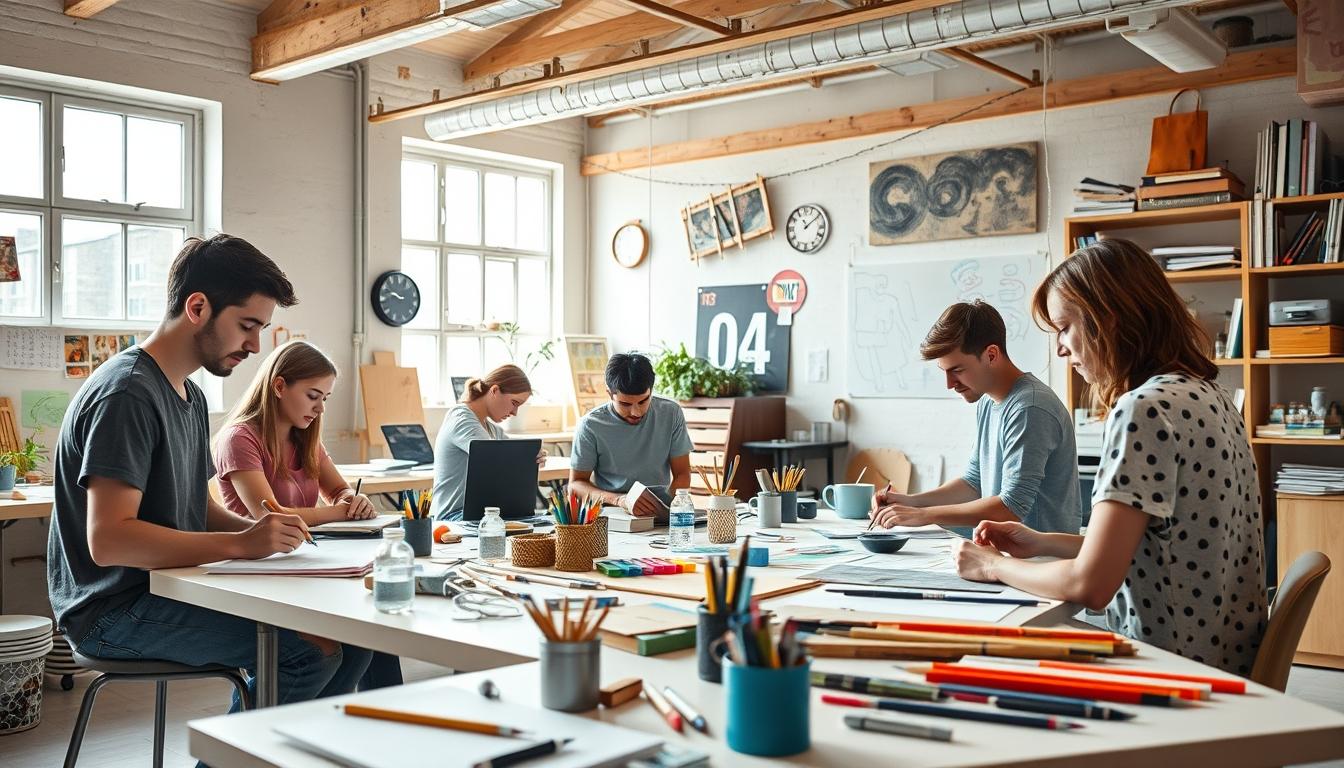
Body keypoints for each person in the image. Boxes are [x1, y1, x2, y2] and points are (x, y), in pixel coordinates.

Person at [48, 234, 346, 712]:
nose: (254, 345)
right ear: (198, 307)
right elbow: (110, 541)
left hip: (166, 586)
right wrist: (241, 545)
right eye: (247, 325)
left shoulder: (189, 394)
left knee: (344, 639)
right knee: (309, 653)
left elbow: (198, 508)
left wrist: (261, 531)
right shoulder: (127, 393)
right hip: (112, 611)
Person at [953, 238, 1266, 676]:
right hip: (1224, 660)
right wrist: (1038, 541)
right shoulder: (1210, 394)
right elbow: (1158, 545)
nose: (1061, 348)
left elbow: (1091, 585)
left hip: (1170, 668)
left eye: (1064, 327)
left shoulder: (1145, 408)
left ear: (1108, 321)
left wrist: (991, 566)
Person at [214, 339, 395, 691]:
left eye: (325, 398)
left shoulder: (306, 438)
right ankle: (255, 732)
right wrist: (339, 513)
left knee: (361, 644)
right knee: (324, 652)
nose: (321, 408)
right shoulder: (239, 438)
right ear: (279, 386)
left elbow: (340, 490)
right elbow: (272, 515)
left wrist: (352, 501)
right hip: (258, 574)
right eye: (314, 396)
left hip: (305, 567)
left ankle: (317, 729)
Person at [871, 300, 1080, 534]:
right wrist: (909, 502)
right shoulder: (988, 402)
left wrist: (924, 515)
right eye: (945, 372)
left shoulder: (1029, 407)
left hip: (1041, 561)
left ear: (991, 355)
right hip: (1005, 555)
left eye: (957, 370)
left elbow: (1011, 507)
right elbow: (974, 483)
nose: (949, 384)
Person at [568, 353, 693, 518]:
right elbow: (576, 485)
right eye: (625, 404)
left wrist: (666, 509)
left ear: (651, 391)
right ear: (609, 393)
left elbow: (682, 473)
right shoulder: (590, 425)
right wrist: (619, 500)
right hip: (614, 512)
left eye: (643, 401)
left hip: (659, 512)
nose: (636, 412)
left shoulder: (671, 413)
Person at [431, 364, 544, 520]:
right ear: (495, 391)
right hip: (454, 516)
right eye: (514, 403)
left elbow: (512, 457)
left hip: (479, 514)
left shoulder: (491, 429)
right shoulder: (461, 419)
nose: (514, 412)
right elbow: (497, 459)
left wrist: (533, 457)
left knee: (539, 523)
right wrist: (525, 459)